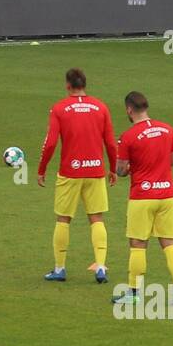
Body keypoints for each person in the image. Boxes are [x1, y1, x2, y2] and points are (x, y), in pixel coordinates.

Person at [37, 67, 117, 282]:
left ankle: (60, 269)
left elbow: (51, 142)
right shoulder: (100, 107)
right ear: (85, 85)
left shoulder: (60, 108)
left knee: (63, 219)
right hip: (95, 171)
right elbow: (110, 141)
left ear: (67, 86)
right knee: (97, 218)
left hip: (70, 172)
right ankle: (101, 267)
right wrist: (113, 167)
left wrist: (42, 169)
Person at [112, 91, 173, 305]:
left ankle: (134, 294)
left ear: (129, 110)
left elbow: (122, 170)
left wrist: (134, 167)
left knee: (138, 244)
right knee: (170, 243)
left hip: (142, 196)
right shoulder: (168, 129)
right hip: (167, 194)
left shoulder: (128, 137)